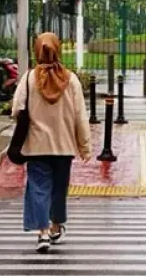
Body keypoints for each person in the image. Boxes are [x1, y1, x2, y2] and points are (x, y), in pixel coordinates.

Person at [12, 32, 91, 253]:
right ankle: (56, 226)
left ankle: (43, 233)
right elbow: (80, 116)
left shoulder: (29, 78)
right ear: (58, 49)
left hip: (37, 146)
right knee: (59, 188)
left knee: (39, 188)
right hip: (64, 146)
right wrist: (84, 146)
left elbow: (17, 109)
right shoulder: (71, 79)